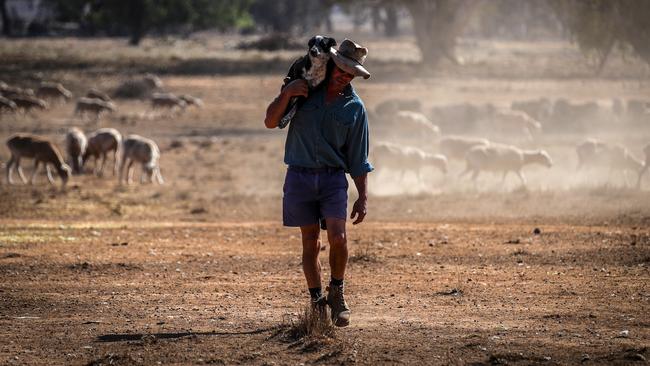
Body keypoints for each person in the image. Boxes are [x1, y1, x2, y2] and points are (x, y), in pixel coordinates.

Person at [264, 39, 373, 327]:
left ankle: (336, 292)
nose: (344, 76)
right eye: (342, 69)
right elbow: (271, 121)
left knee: (338, 237)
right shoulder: (305, 89)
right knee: (310, 243)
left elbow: (358, 158)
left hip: (332, 178)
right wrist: (286, 93)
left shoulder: (355, 108)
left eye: (351, 73)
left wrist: (362, 196)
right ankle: (316, 301)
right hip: (299, 175)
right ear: (333, 64)